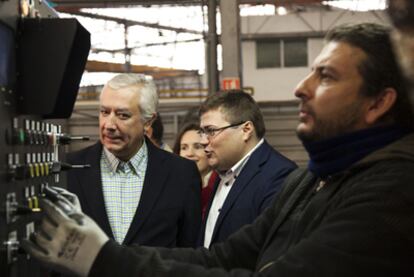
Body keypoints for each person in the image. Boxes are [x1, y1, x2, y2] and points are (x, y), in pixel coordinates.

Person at [23, 23, 414, 277]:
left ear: (378, 102)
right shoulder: (312, 180)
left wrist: (103, 259)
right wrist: (106, 249)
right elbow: (222, 258)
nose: (301, 87)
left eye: (325, 76)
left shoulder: (392, 194)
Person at [65, 73, 202, 247]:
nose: (109, 125)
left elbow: (189, 251)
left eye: (122, 115)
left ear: (148, 122)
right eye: (104, 112)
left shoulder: (181, 174)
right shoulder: (71, 169)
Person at [197, 90, 296, 248]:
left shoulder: (280, 177)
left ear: (246, 130)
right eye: (201, 132)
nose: (202, 141)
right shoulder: (223, 173)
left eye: (211, 131)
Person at [173, 122, 218, 219]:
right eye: (184, 148)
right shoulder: (172, 187)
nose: (189, 154)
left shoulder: (219, 185)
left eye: (197, 147)